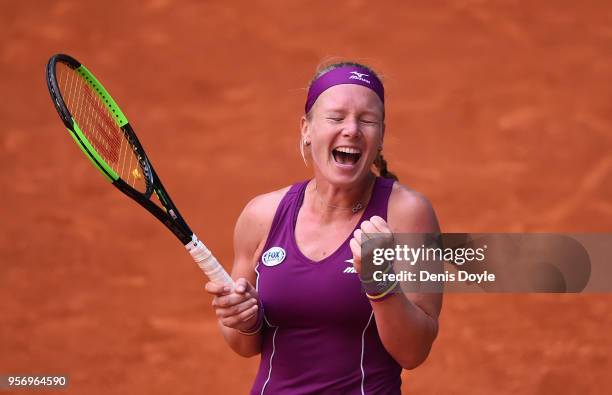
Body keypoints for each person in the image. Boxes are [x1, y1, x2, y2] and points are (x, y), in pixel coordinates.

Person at [205, 61, 442, 394]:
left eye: (367, 120)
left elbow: (414, 351)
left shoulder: (408, 215)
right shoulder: (262, 215)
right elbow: (244, 345)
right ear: (306, 128)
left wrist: (381, 283)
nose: (352, 130)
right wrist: (243, 321)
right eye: (336, 117)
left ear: (381, 136)